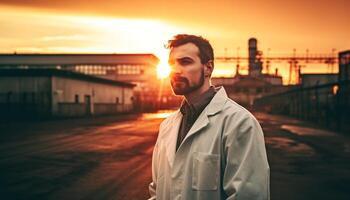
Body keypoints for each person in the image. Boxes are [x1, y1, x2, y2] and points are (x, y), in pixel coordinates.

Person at [148, 34, 270, 200]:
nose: (175, 70)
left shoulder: (239, 123)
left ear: (208, 68)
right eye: (171, 64)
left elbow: (249, 196)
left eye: (185, 62)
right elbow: (156, 191)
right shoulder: (167, 126)